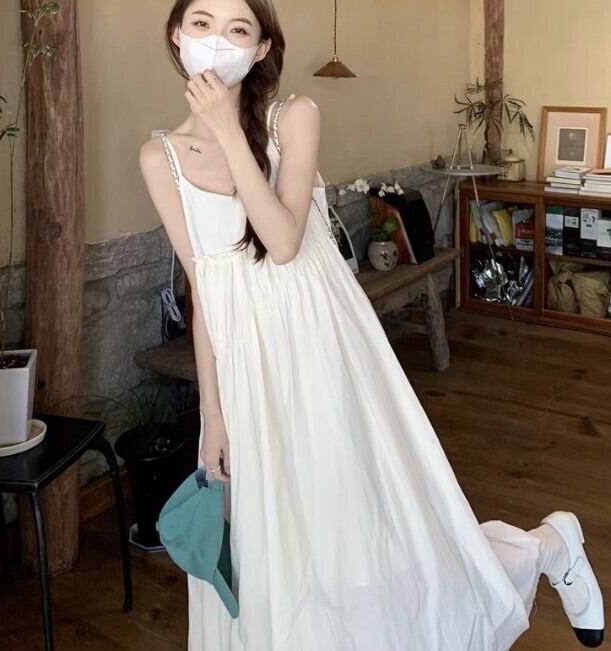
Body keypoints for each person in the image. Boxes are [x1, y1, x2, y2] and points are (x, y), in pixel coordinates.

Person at [139, 1, 605, 649]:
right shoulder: (160, 157)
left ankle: (548, 546)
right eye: (201, 23)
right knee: (282, 556)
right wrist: (213, 417)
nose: (217, 40)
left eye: (237, 28)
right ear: (176, 35)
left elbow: (281, 241)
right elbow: (204, 293)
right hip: (249, 375)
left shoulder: (293, 117)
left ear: (262, 47)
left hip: (322, 355)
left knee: (369, 543)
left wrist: (225, 128)